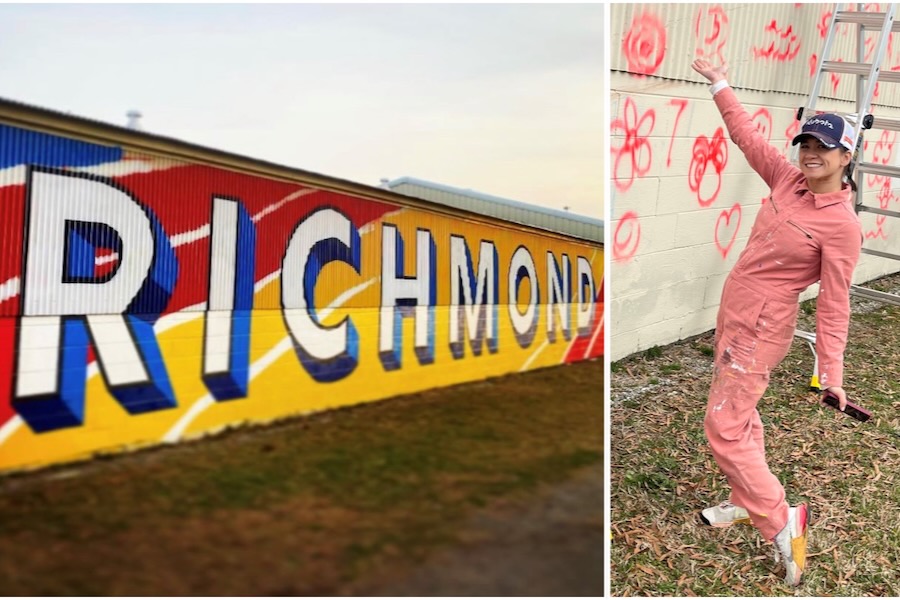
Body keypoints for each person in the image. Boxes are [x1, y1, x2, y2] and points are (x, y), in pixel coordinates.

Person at [690, 58, 863, 587]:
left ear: (846, 155)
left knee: (722, 425)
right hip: (735, 308)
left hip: (762, 327)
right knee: (739, 418)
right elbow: (747, 137)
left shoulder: (841, 227)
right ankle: (747, 499)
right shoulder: (787, 180)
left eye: (822, 147)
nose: (809, 154)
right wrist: (720, 82)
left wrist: (831, 373)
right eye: (805, 144)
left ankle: (781, 519)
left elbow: (835, 305)